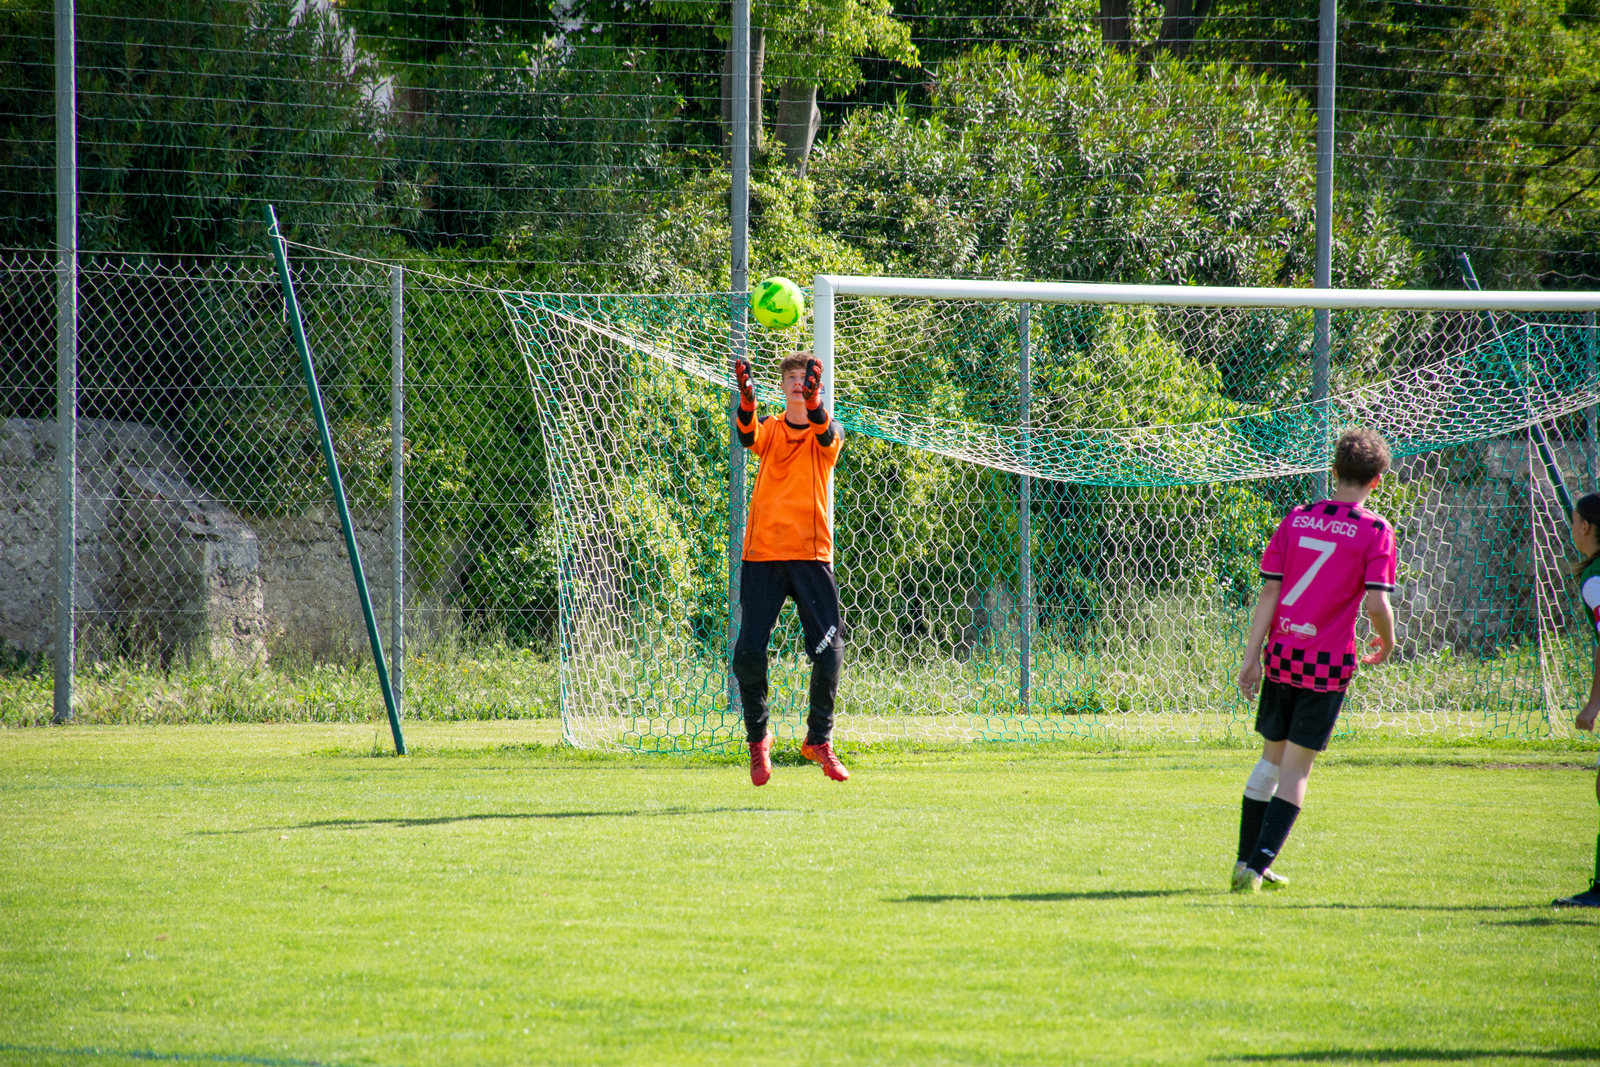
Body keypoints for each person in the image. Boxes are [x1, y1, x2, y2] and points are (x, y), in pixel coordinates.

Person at [1231, 427, 1398, 893]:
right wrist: (1387, 641)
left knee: (1271, 759)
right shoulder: (1375, 531)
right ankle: (1256, 868)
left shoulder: (1298, 518)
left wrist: (1251, 658)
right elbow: (1376, 603)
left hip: (1282, 654)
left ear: (1334, 470)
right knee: (1296, 769)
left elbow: (1270, 592)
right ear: (1377, 480)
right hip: (1326, 664)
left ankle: (1246, 863)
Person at [730, 351, 849, 786]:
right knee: (748, 653)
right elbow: (747, 435)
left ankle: (818, 739)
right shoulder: (771, 428)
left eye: (806, 378)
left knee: (831, 651)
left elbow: (826, 433)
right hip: (762, 554)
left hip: (811, 556)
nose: (799, 383)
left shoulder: (829, 430)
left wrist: (816, 404)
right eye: (793, 377)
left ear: (817, 387)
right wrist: (747, 401)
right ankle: (758, 739)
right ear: (782, 386)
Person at [1553, 493, 1600, 908]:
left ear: (1585, 526)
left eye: (1572, 521)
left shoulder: (1595, 580)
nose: (1571, 528)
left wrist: (1592, 703)